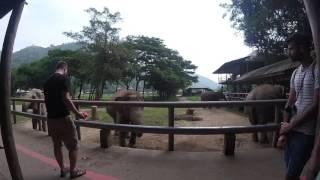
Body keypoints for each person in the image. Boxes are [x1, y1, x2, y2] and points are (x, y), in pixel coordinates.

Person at [277, 33, 319, 180]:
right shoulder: (296, 73)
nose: (289, 52)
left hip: (306, 133)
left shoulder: (317, 70)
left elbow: (315, 105)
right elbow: (290, 102)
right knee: (289, 168)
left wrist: (291, 125)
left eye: (291, 48)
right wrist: (284, 131)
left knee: (291, 174)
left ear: (302, 48)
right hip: (291, 131)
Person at [44, 61, 86, 179]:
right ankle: (73, 171)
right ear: (65, 69)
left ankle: (63, 169)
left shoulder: (47, 82)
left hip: (51, 119)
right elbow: (66, 99)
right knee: (73, 146)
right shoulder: (63, 79)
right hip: (63, 118)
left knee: (57, 145)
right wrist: (78, 113)